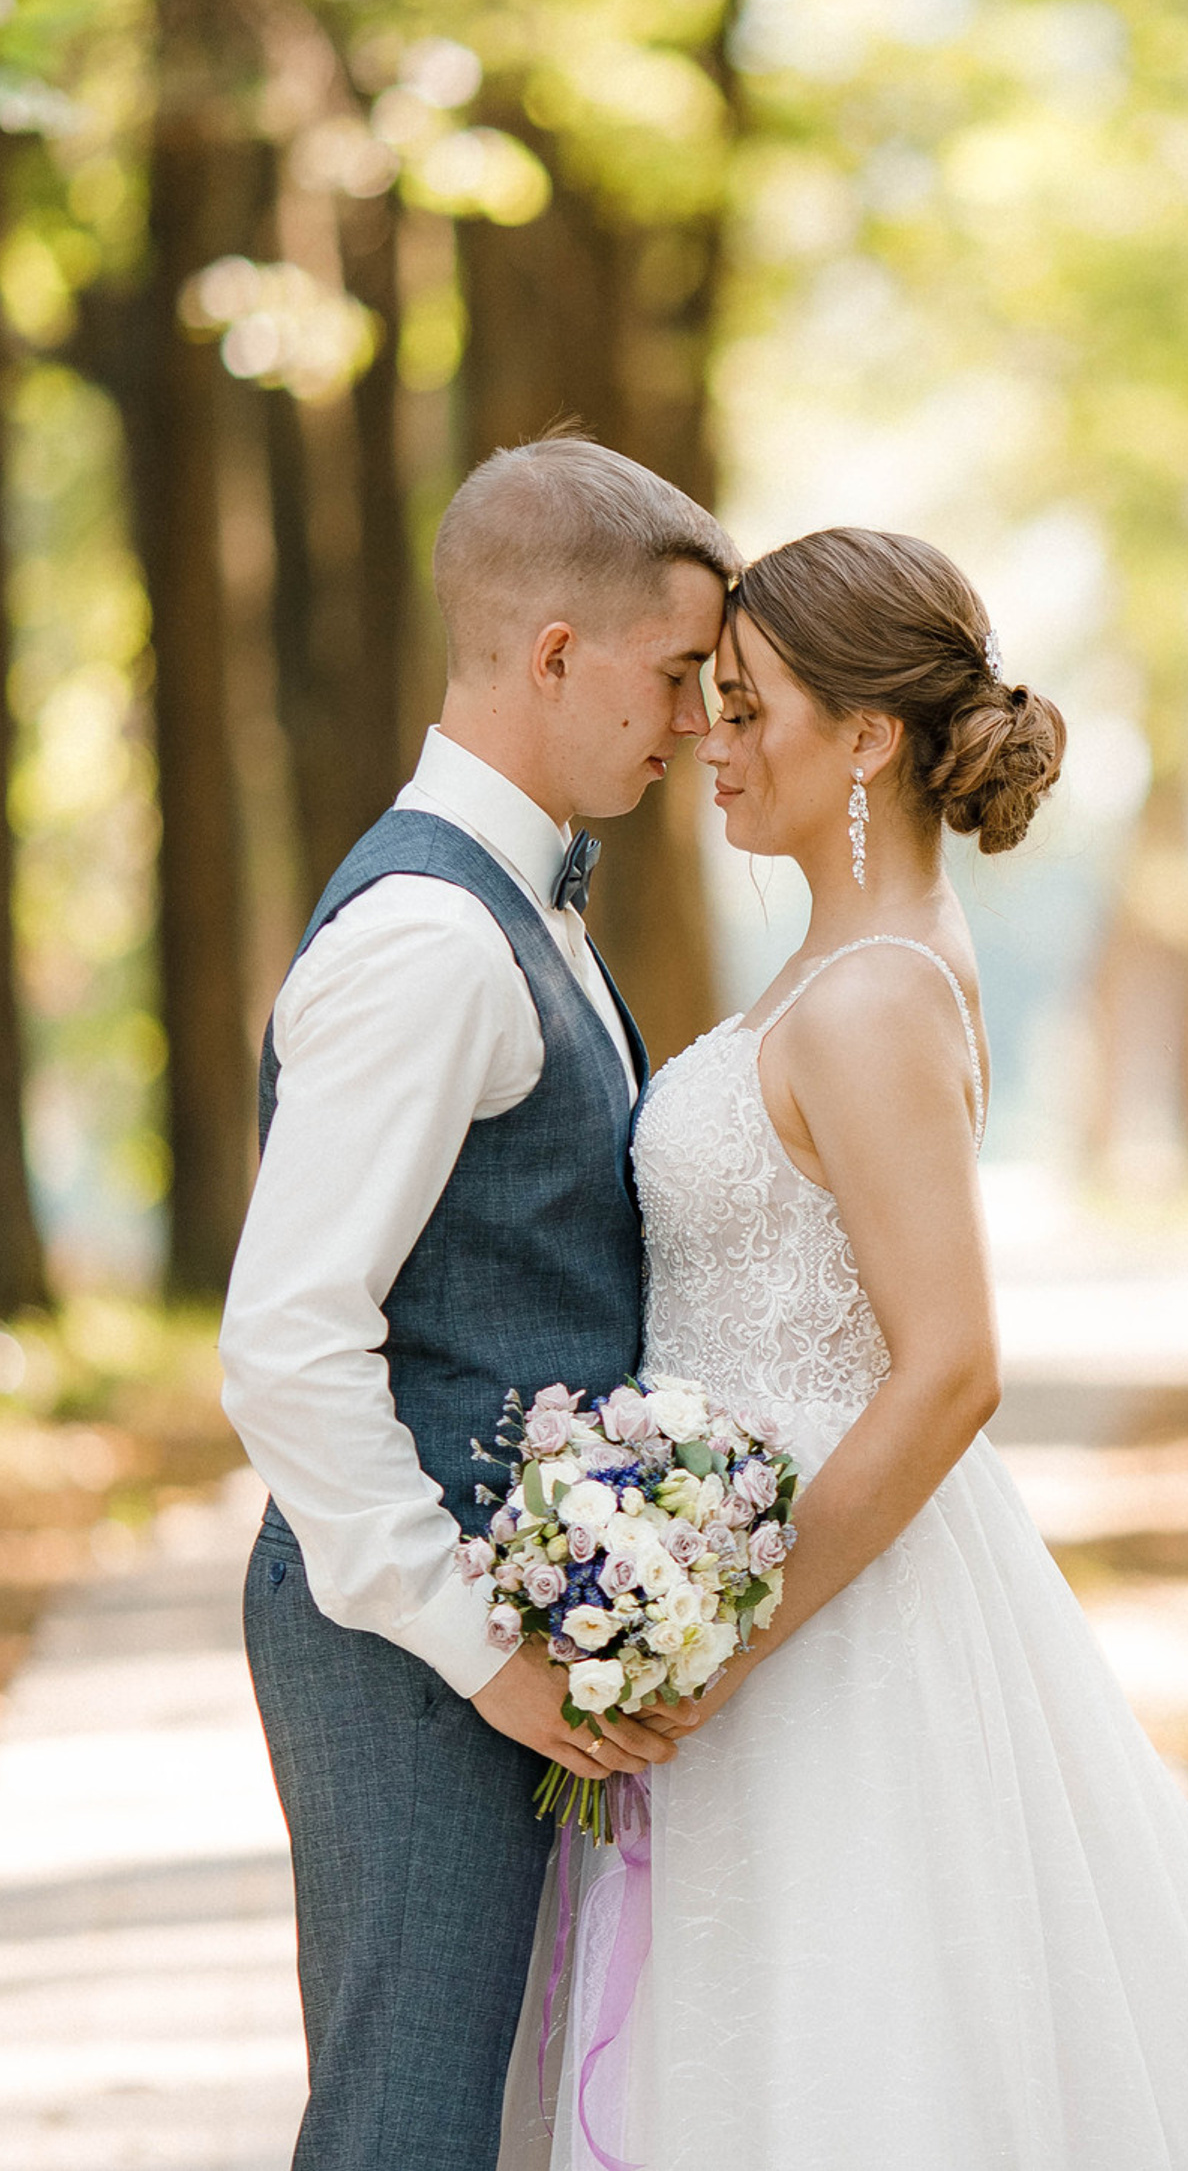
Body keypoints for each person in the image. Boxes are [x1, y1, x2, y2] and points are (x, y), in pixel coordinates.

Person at [540, 526, 1188, 2168]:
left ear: (868, 736)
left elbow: (950, 1366)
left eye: (749, 706)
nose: (711, 737)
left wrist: (726, 1637)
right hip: (752, 1570)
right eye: (712, 700)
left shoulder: (872, 996)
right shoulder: (851, 965)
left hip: (823, 1611)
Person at [222, 435, 738, 2171]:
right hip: (410, 1648)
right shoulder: (434, 940)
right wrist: (489, 1652)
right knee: (408, 2127)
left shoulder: (525, 906)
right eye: (676, 673)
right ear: (556, 656)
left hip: (487, 1631)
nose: (695, 722)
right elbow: (288, 1341)